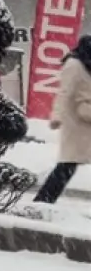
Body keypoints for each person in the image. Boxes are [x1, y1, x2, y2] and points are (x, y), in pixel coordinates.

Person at [34, 34, 91, 204]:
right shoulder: (74, 65)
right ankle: (43, 200)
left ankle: (44, 199)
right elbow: (64, 93)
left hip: (86, 122)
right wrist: (56, 116)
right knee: (68, 165)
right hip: (76, 124)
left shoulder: (87, 64)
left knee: (68, 166)